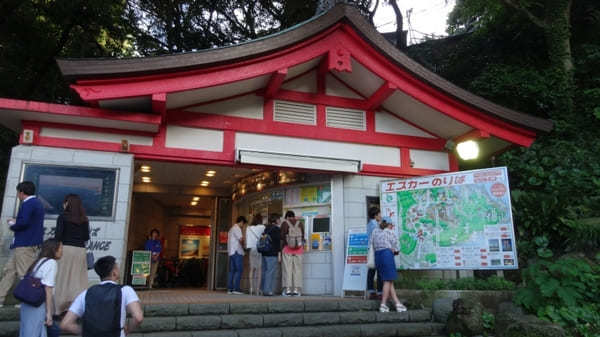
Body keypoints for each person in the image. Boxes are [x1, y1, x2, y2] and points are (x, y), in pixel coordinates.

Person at [60, 255, 144, 337]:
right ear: (114, 272)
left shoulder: (86, 293)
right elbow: (138, 317)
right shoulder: (125, 290)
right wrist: (128, 329)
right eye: (117, 267)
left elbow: (65, 324)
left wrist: (86, 332)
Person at [0, 181, 45, 307]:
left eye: (18, 193)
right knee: (9, 271)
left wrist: (13, 225)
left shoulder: (27, 204)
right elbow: (30, 222)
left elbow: (23, 223)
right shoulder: (37, 203)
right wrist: (17, 221)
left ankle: (27, 300)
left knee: (24, 273)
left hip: (24, 244)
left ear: (21, 192)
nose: (18, 196)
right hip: (28, 243)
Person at [54, 194, 90, 315]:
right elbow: (86, 237)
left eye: (64, 202)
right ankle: (77, 310)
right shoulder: (84, 219)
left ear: (67, 204)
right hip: (80, 251)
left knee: (62, 279)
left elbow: (58, 236)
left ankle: (59, 309)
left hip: (66, 249)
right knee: (78, 280)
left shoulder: (63, 217)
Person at [18, 239, 62, 337]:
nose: (62, 251)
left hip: (27, 303)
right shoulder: (51, 263)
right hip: (37, 305)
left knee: (27, 331)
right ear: (54, 250)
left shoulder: (39, 261)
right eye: (60, 248)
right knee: (35, 332)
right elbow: (48, 288)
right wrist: (49, 314)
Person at [372, 216, 407, 313]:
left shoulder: (375, 231)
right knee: (387, 280)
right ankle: (383, 304)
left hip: (377, 256)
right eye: (392, 225)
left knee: (388, 280)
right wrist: (393, 250)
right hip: (387, 256)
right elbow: (397, 248)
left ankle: (397, 303)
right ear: (389, 224)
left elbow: (373, 244)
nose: (392, 226)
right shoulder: (390, 232)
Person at [280, 210, 304, 296]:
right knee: (297, 270)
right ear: (294, 216)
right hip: (299, 250)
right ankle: (297, 290)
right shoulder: (300, 223)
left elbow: (282, 236)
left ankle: (288, 290)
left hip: (287, 249)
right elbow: (303, 236)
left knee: (287, 269)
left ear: (286, 217)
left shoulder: (284, 223)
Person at [260, 213, 281, 296]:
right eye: (279, 219)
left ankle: (262, 289)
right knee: (270, 272)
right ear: (276, 220)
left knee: (265, 271)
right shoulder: (276, 229)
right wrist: (279, 254)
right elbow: (277, 243)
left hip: (264, 252)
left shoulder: (266, 228)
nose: (280, 220)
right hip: (272, 253)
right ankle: (268, 291)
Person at [227, 216, 247, 294]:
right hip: (237, 251)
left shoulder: (231, 229)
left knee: (232, 271)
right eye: (243, 224)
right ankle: (236, 289)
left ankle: (230, 289)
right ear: (241, 221)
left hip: (231, 252)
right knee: (239, 270)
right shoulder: (237, 228)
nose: (243, 226)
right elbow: (241, 239)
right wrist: (244, 246)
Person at [366, 207, 383, 299]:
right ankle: (380, 293)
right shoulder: (374, 225)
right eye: (379, 214)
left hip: (371, 250)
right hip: (376, 249)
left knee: (371, 271)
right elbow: (376, 238)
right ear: (375, 215)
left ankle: (371, 291)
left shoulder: (371, 224)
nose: (381, 216)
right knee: (379, 271)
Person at [246, 214, 264, 295]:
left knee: (252, 269)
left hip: (251, 249)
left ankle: (251, 288)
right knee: (259, 270)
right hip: (259, 249)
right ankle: (257, 289)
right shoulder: (262, 227)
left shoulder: (248, 228)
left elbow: (247, 239)